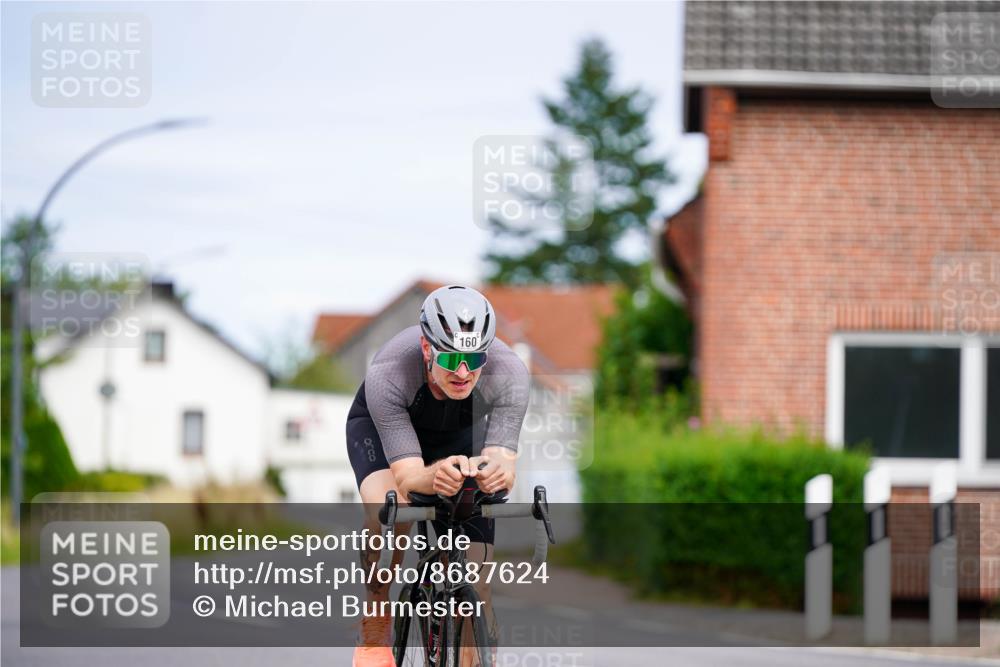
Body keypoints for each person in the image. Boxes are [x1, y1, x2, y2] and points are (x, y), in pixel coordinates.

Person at [346, 285, 530, 667]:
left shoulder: (510, 373)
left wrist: (494, 475)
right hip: (386, 434)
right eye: (450, 358)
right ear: (428, 348)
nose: (463, 372)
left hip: (460, 436)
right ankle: (377, 615)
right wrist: (434, 478)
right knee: (390, 510)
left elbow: (503, 464)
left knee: (477, 582)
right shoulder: (390, 371)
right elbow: (410, 476)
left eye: (474, 357)